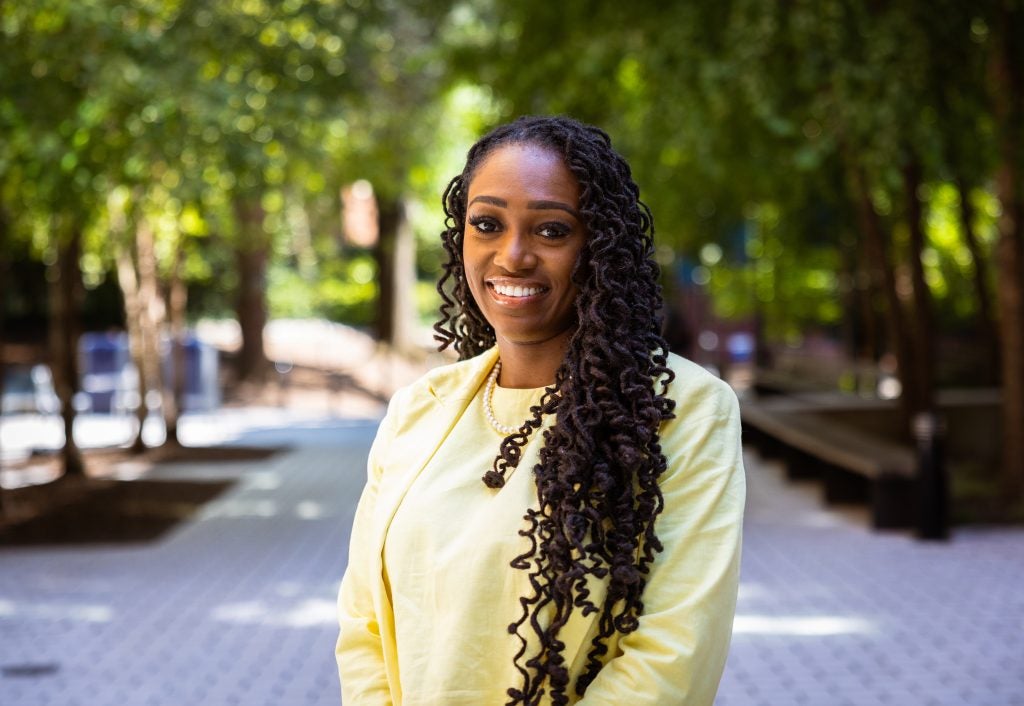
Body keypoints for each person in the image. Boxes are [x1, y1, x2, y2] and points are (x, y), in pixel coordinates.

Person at [336, 116, 745, 706]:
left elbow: (672, 653)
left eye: (552, 230)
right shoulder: (417, 412)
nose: (514, 254)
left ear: (600, 247)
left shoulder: (683, 410)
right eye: (487, 224)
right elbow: (363, 627)